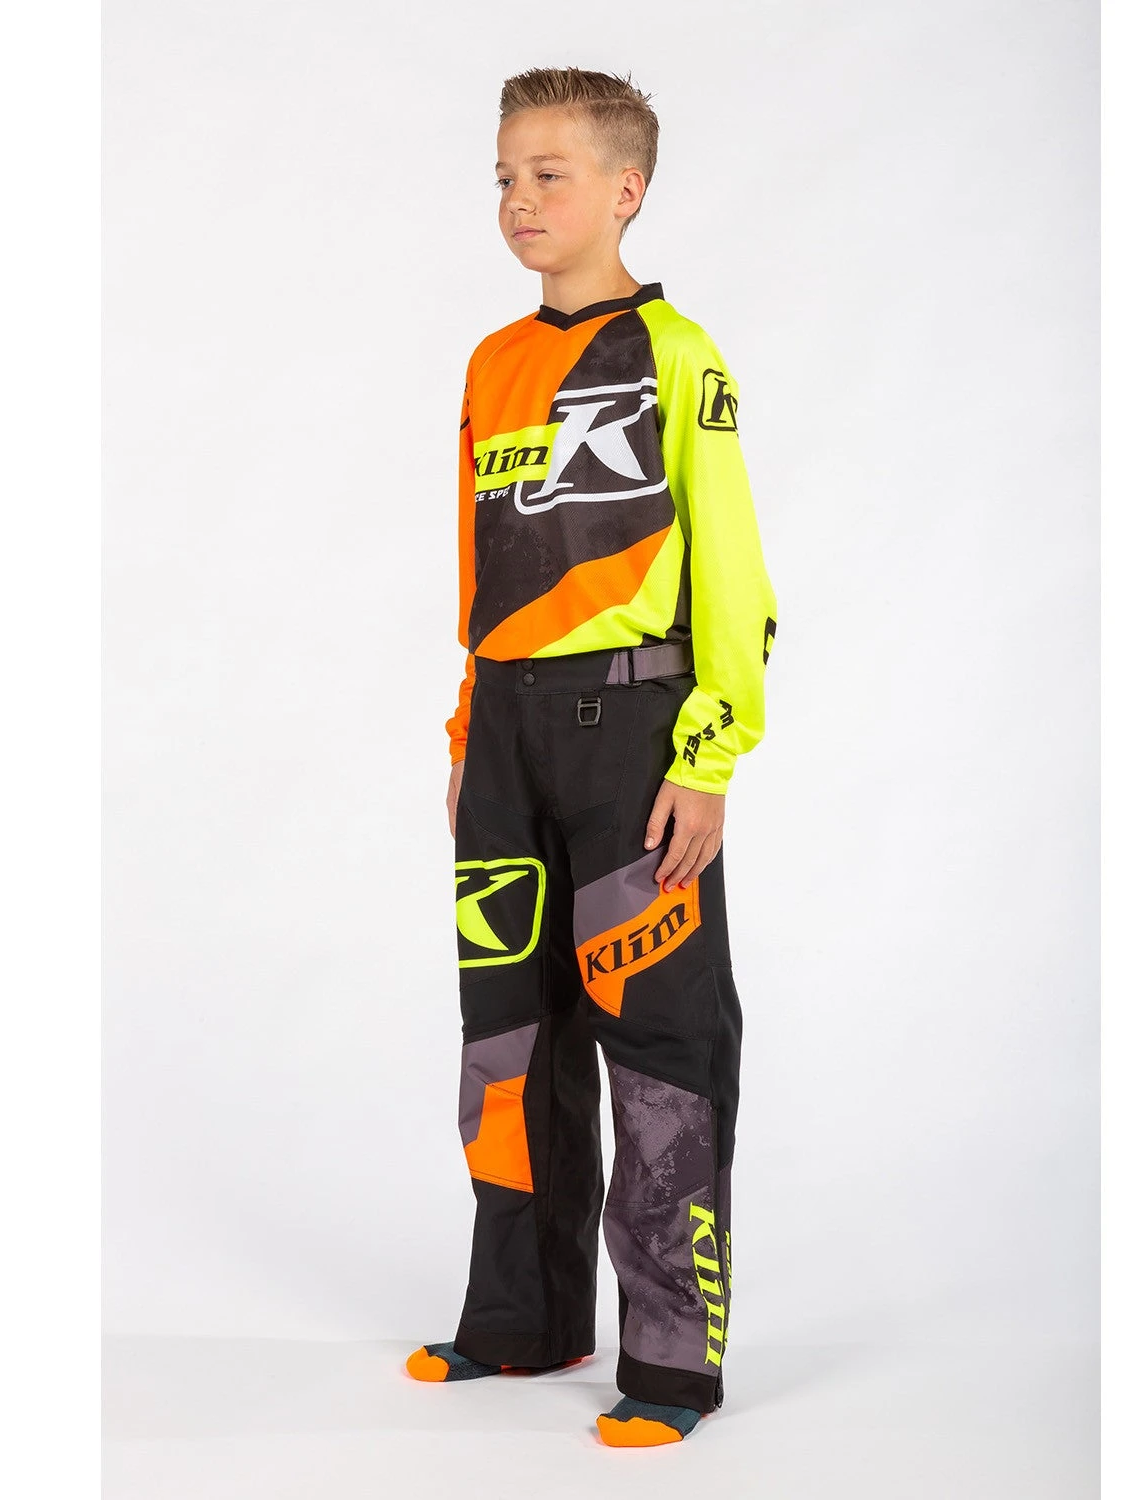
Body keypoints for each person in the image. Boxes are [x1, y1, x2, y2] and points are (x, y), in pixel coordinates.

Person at [404, 65, 778, 1449]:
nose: (519, 198)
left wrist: (712, 752)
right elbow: (485, 573)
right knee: (507, 1031)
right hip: (505, 733)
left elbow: (732, 566)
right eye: (505, 175)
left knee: (661, 1040)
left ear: (628, 190)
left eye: (549, 174)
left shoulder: (681, 354)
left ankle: (672, 1364)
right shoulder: (491, 364)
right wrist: (469, 729)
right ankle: (524, 1317)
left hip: (635, 734)